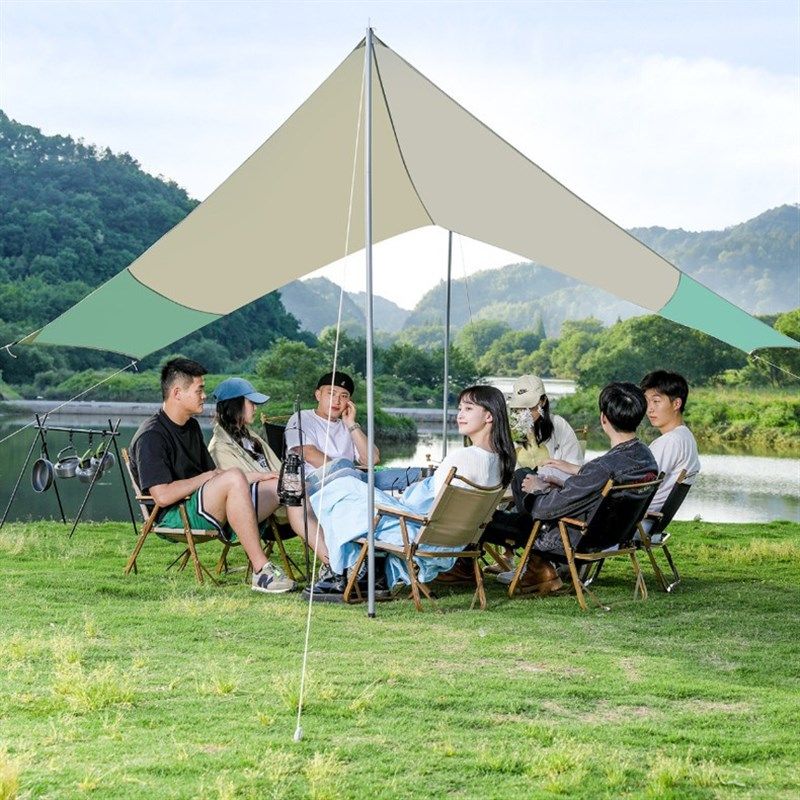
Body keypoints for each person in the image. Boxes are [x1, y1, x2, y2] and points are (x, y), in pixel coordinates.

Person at [301, 385, 517, 601]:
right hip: (451, 540)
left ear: (489, 416)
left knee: (343, 487)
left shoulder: (462, 457)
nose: (460, 415)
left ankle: (340, 573)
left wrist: (399, 499)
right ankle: (369, 577)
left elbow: (422, 503)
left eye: (469, 409)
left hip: (417, 534)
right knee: (355, 490)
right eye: (460, 408)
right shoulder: (501, 461)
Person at [129, 359, 295, 594]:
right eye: (199, 389)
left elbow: (217, 476)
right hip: (177, 515)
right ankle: (261, 570)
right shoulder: (152, 436)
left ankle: (332, 564)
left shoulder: (191, 427)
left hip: (201, 504)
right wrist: (206, 478)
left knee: (282, 485)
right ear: (177, 393)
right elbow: (163, 496)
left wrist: (264, 476)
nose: (205, 396)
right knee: (236, 476)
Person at [489, 382, 658, 594]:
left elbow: (543, 510)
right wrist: (565, 482)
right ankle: (538, 567)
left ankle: (537, 567)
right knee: (508, 511)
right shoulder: (645, 457)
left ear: (603, 418)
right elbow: (593, 491)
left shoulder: (604, 467)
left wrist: (538, 487)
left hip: (571, 538)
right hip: (610, 535)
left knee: (497, 510)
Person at [284, 370, 420, 494]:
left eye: (344, 396)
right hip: (314, 483)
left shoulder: (348, 425)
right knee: (344, 464)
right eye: (331, 393)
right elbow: (309, 454)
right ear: (318, 395)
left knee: (413, 474)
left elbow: (372, 459)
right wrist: (348, 471)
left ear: (349, 402)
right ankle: (377, 501)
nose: (337, 401)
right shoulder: (302, 417)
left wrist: (351, 423)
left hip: (352, 478)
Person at [207, 376, 309, 541]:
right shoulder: (219, 447)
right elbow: (236, 491)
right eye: (251, 403)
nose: (255, 408)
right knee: (311, 495)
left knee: (320, 484)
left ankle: (339, 557)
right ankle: (332, 560)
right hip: (259, 510)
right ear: (235, 405)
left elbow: (278, 468)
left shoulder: (251, 437)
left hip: (281, 497)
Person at [640, 370, 701, 529]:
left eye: (656, 401)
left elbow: (637, 484)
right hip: (651, 523)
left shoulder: (670, 442)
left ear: (676, 404)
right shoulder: (686, 436)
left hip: (637, 523)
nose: (649, 409)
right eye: (647, 401)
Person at [507, 374, 584, 484]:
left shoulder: (559, 425)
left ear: (543, 401)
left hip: (555, 492)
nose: (526, 412)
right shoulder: (509, 429)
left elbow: (576, 467)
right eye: (521, 407)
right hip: (518, 491)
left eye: (531, 406)